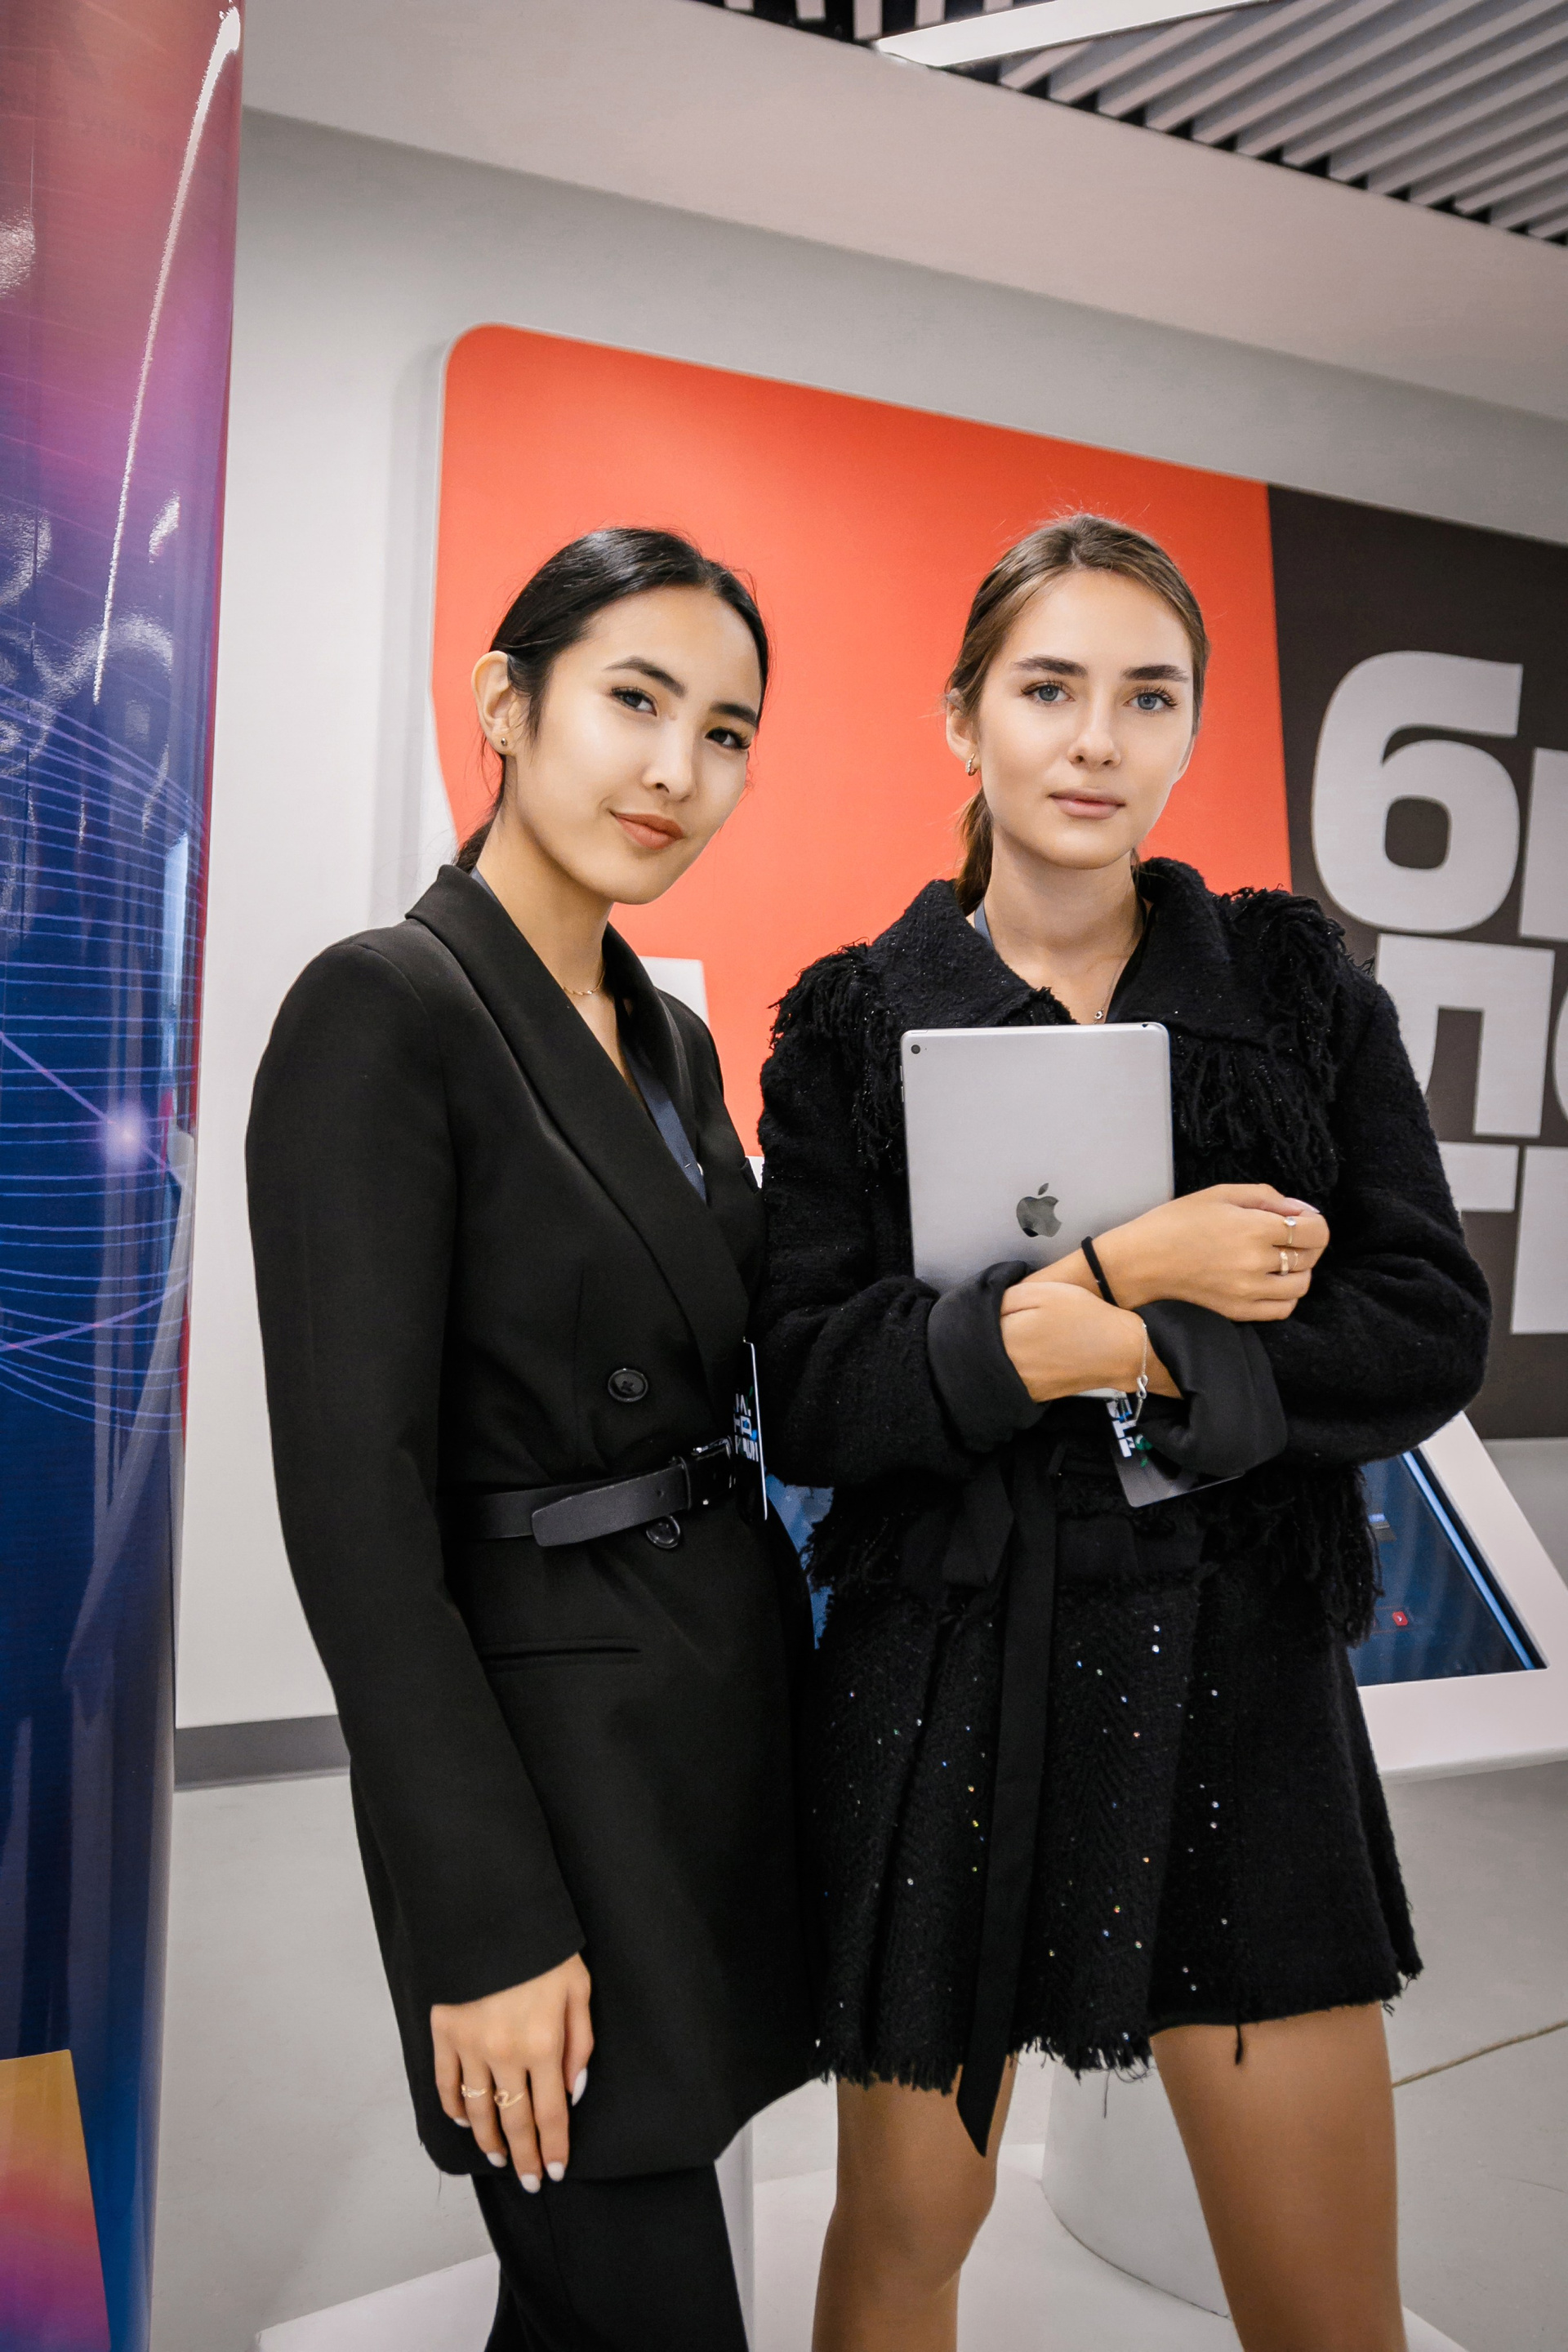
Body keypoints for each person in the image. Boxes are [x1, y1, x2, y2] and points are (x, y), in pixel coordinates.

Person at [753, 514, 1490, 2352]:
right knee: (904, 2234)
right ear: (964, 719)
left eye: (1148, 697)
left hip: (1247, 1673)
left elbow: (1423, 1328)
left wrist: (1148, 1351)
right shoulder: (850, 1026)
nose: (1096, 740)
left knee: (1327, 2299)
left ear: (1189, 734)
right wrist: (1119, 1279)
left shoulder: (1301, 997)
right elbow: (815, 1389)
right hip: (949, 1672)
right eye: (1049, 689)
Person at [247, 528, 815, 2352]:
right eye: (634, 701)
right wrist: (482, 1918)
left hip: (702, 1725)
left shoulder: (670, 1039)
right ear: (505, 702)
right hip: (538, 1773)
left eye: (724, 732)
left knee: (582, 2306)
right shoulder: (381, 1008)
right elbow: (356, 1516)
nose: (675, 770)